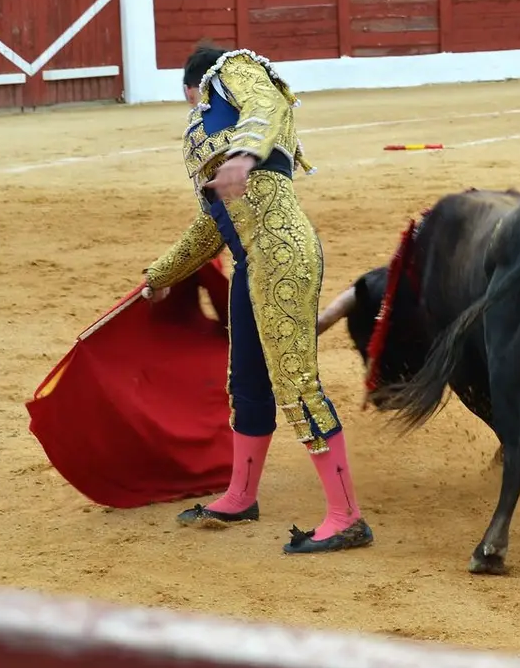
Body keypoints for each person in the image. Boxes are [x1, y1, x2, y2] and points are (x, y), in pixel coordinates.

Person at [140, 42, 373, 554]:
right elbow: (211, 227)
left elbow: (268, 105)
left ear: (190, 87)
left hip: (283, 253)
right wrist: (160, 276)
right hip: (252, 262)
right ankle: (240, 495)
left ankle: (347, 516)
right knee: (245, 380)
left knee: (295, 381)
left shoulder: (233, 72)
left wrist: (244, 155)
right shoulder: (212, 139)